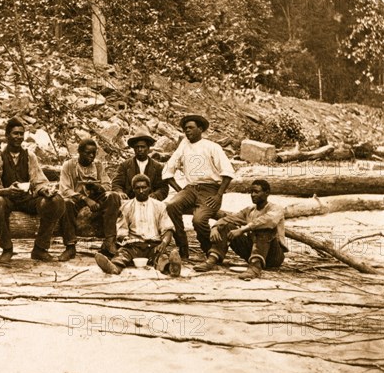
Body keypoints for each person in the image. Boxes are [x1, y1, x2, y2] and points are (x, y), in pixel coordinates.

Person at [0, 117, 65, 264]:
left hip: (27, 199)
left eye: (21, 134)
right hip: (8, 199)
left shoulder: (30, 156)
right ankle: (7, 248)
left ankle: (40, 248)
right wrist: (5, 190)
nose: (19, 137)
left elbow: (39, 180)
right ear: (7, 135)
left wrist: (45, 191)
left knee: (56, 201)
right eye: (15, 133)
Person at [162, 114, 235, 260]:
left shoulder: (212, 147)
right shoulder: (183, 146)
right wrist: (180, 191)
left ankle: (209, 250)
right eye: (185, 129)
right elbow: (167, 171)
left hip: (211, 189)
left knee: (199, 220)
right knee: (171, 206)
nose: (187, 131)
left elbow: (228, 173)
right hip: (190, 188)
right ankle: (183, 247)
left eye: (191, 128)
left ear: (200, 129)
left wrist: (218, 195)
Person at [194, 179, 287, 280]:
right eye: (251, 192)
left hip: (273, 256)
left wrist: (242, 230)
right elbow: (229, 218)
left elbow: (268, 221)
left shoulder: (276, 208)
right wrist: (215, 227)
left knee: (264, 228)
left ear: (267, 193)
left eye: (256, 192)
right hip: (253, 251)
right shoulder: (249, 210)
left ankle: (255, 268)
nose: (253, 195)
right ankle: (212, 259)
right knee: (227, 226)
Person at [95, 174, 181, 277]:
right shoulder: (126, 207)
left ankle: (171, 268)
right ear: (133, 189)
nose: (141, 191)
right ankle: (113, 267)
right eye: (138, 188)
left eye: (144, 187)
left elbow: (168, 228)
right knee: (122, 255)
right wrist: (125, 239)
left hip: (153, 245)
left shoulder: (159, 206)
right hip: (133, 246)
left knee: (162, 257)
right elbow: (122, 229)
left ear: (149, 188)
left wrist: (163, 243)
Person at [58, 138, 122, 261]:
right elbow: (65, 190)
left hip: (95, 196)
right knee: (66, 203)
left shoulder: (98, 166)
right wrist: (85, 199)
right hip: (76, 198)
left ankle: (109, 241)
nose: (91, 156)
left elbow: (108, 185)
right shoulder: (69, 165)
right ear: (79, 152)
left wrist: (98, 187)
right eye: (88, 153)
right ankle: (70, 246)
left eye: (94, 153)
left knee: (113, 196)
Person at [112, 132, 168, 201]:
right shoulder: (125, 165)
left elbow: (163, 188)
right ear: (134, 149)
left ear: (148, 148)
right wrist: (120, 193)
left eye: (142, 147)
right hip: (129, 201)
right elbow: (116, 184)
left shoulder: (158, 167)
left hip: (150, 203)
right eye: (137, 147)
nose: (140, 149)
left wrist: (155, 195)